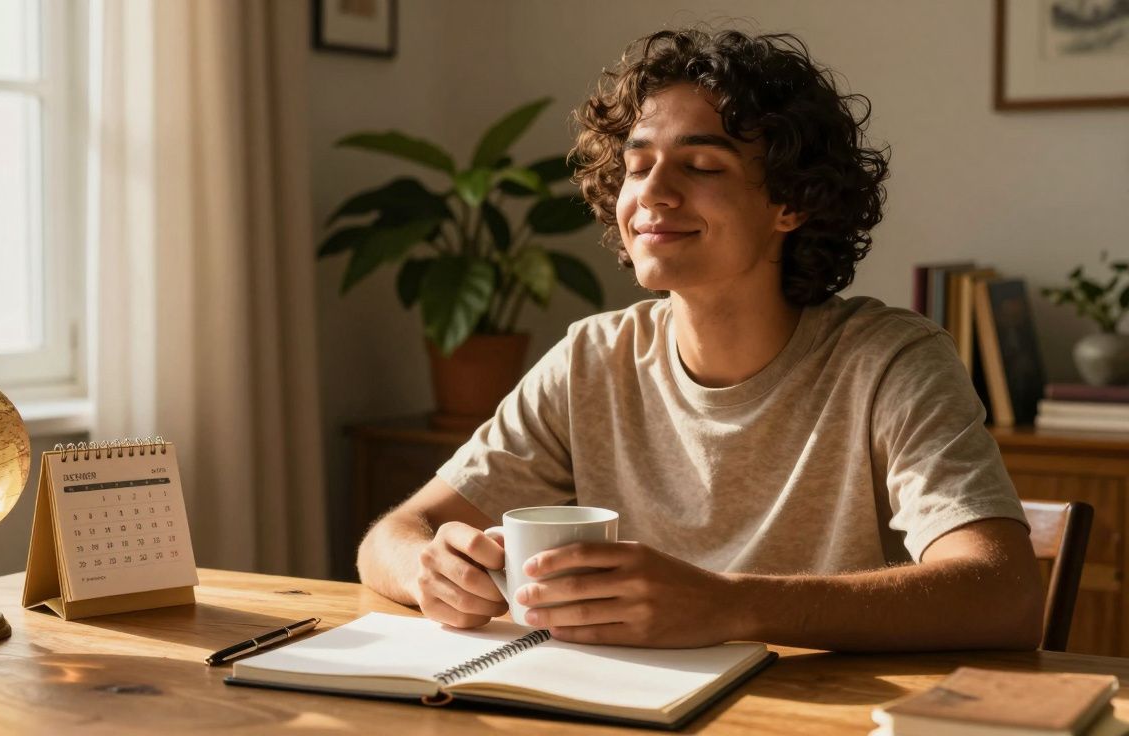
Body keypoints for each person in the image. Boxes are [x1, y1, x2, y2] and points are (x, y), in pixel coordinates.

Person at [356, 28, 1043, 651]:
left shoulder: (889, 361)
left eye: (702, 166)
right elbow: (390, 536)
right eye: (637, 163)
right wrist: (431, 571)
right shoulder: (593, 358)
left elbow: (1002, 592)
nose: (651, 193)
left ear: (791, 201)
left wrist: (732, 606)